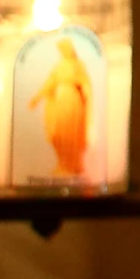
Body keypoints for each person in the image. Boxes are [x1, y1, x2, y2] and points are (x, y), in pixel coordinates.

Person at [29, 36, 93, 178]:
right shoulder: (59, 66)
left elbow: (85, 82)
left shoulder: (78, 65)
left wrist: (86, 91)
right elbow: (49, 84)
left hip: (72, 100)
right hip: (60, 100)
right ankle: (62, 163)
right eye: (62, 49)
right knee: (58, 133)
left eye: (67, 48)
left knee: (70, 133)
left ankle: (71, 165)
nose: (65, 51)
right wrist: (37, 98)